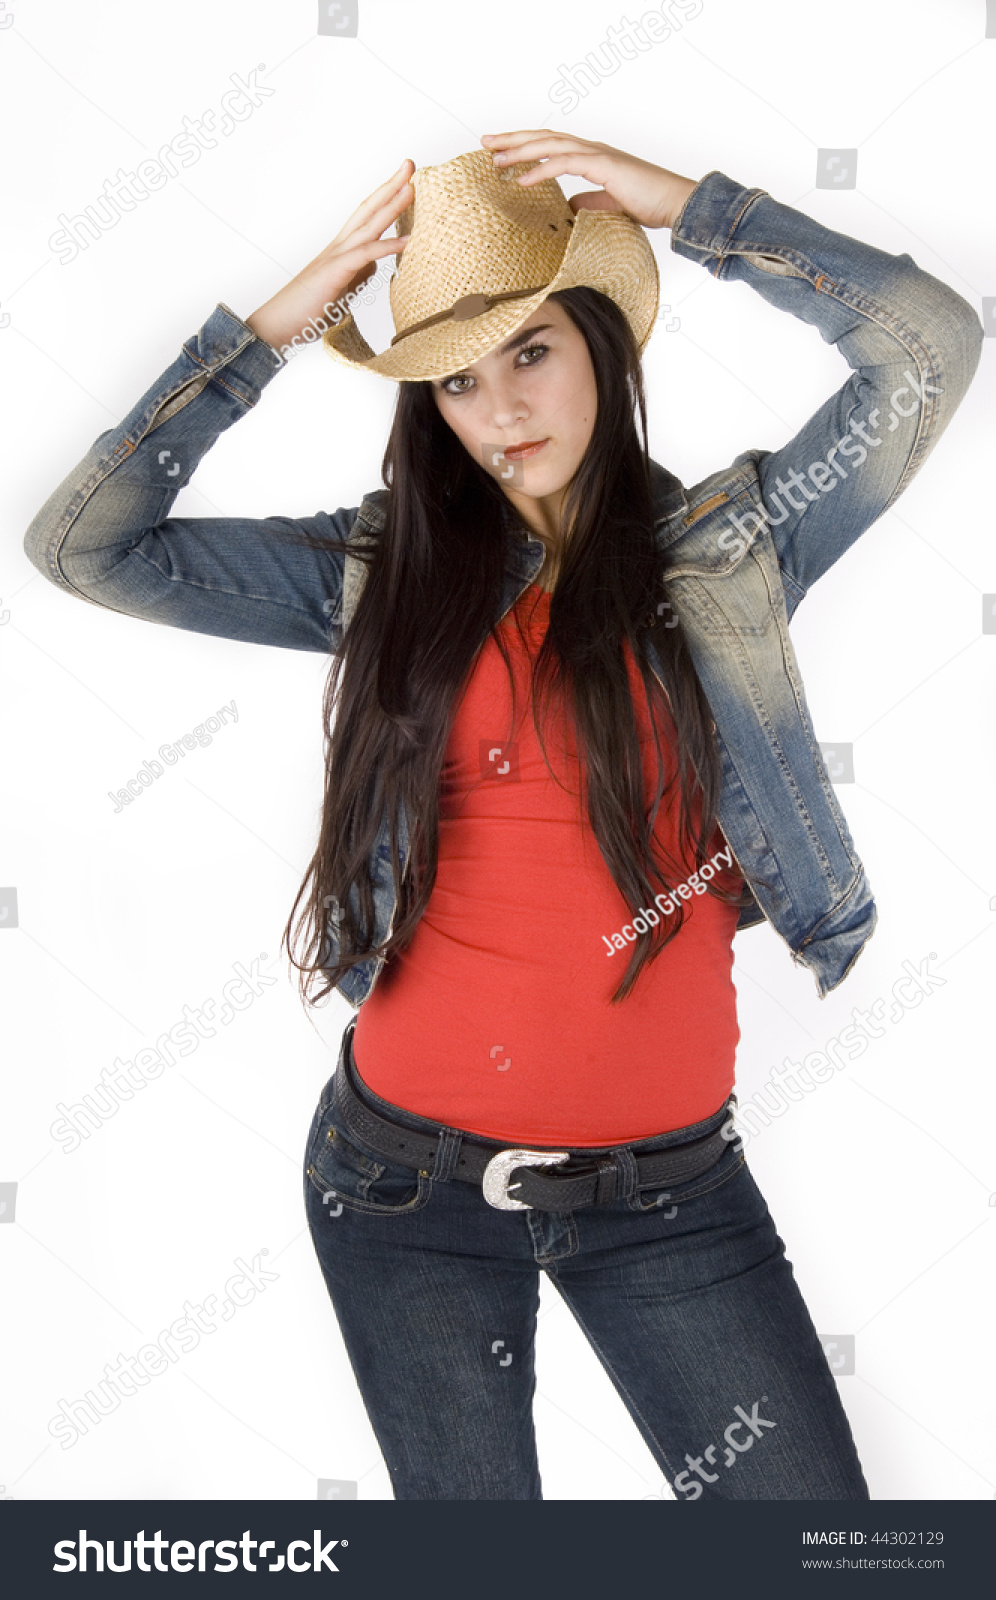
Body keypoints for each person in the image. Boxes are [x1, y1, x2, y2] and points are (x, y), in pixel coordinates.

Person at [24, 130, 983, 1501]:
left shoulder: (732, 554)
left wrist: (693, 211)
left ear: (601, 341)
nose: (499, 410)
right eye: (455, 381)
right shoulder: (378, 576)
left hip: (672, 1204)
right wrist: (274, 330)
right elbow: (84, 546)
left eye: (530, 351)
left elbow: (928, 347)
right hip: (399, 1190)